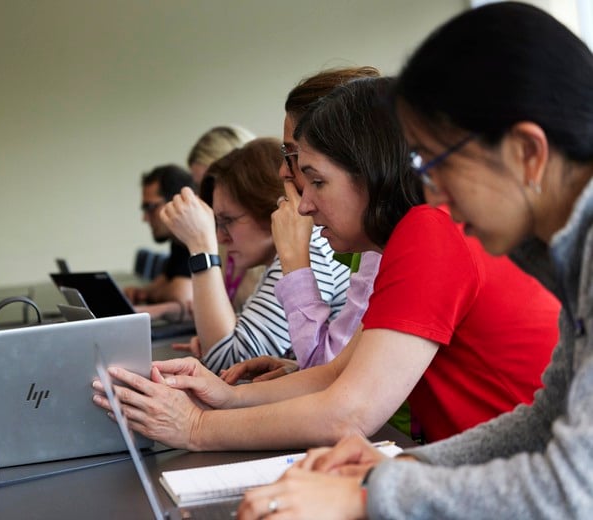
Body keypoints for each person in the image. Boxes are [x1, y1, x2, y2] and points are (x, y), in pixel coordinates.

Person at [238, 4, 593, 518]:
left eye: (438, 161)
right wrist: (399, 472)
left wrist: (367, 497)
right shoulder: (566, 252)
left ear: (527, 153)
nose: (430, 188)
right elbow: (544, 421)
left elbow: (573, 489)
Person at [92, 76, 560, 454]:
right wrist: (229, 396)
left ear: (371, 175)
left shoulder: (430, 231)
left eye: (316, 181)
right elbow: (341, 370)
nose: (303, 205)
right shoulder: (407, 237)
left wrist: (195, 427)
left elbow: (350, 411)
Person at [224, 66, 382, 380]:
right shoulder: (368, 247)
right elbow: (340, 369)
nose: (283, 172)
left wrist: (295, 261)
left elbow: (332, 376)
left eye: (292, 154)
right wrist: (297, 371)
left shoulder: (346, 246)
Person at [160, 138, 350, 374]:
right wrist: (223, 335)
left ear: (270, 208)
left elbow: (228, 363)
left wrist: (201, 248)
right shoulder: (286, 256)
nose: (221, 237)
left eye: (228, 221)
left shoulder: (312, 250)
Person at [187, 125, 264, 313]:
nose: (203, 200)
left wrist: (200, 247)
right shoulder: (224, 242)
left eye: (211, 187)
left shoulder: (281, 258)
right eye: (200, 187)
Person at [123, 165, 196, 308]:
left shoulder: (195, 238)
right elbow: (166, 279)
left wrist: (151, 294)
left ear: (176, 203)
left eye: (150, 208)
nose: (144, 218)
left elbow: (183, 294)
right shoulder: (177, 242)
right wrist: (141, 291)